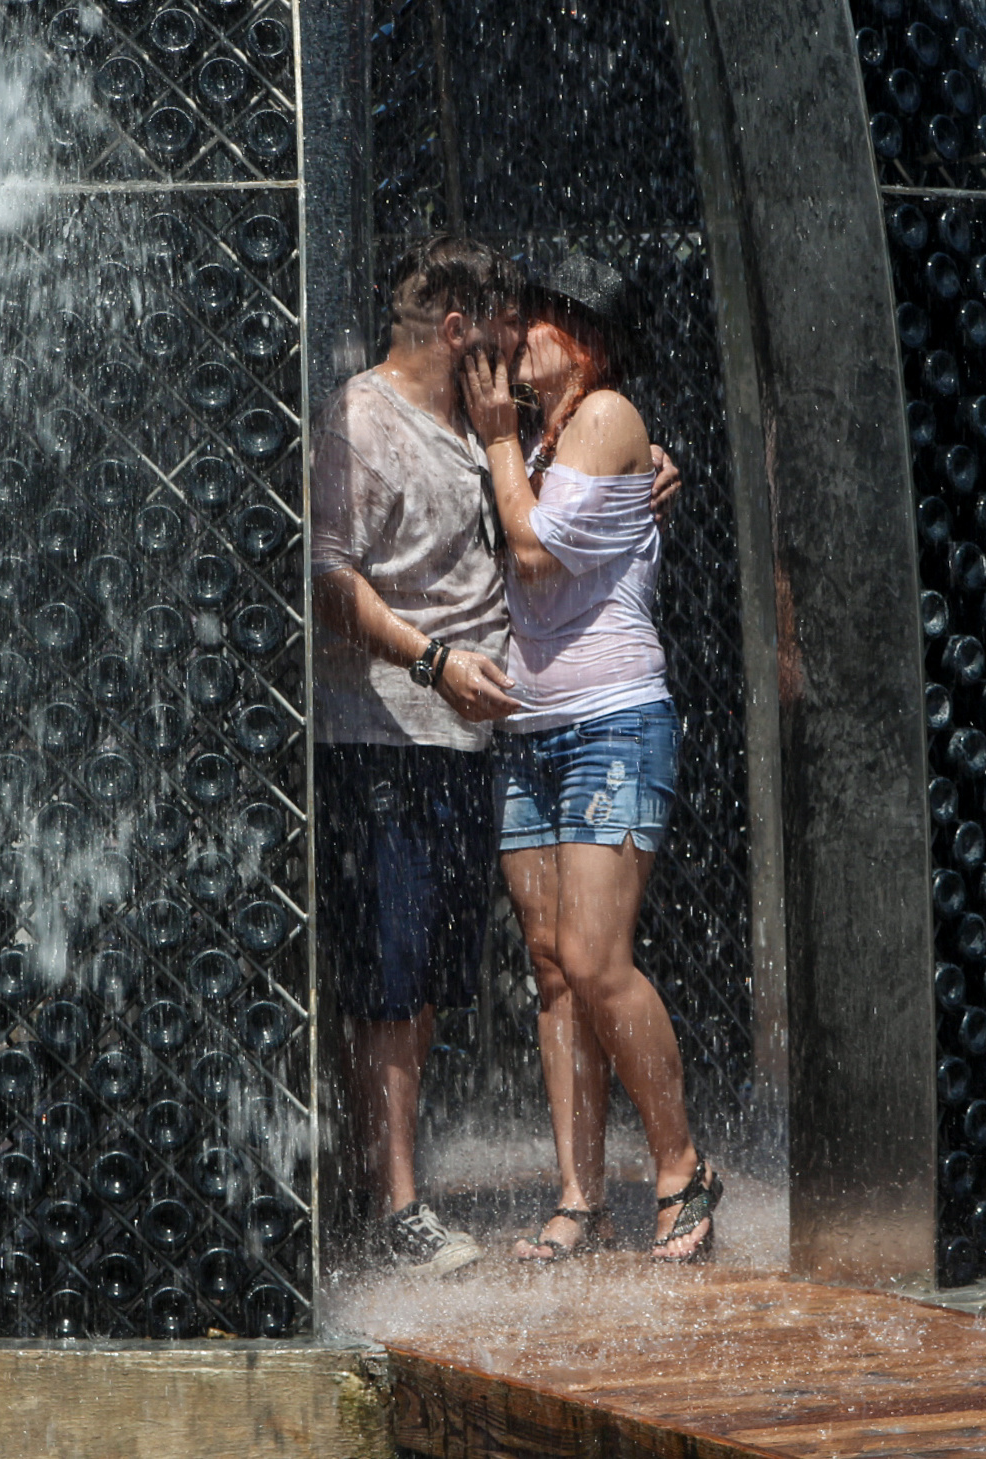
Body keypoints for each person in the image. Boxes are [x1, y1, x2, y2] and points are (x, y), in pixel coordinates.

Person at [310, 237, 677, 1276]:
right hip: (388, 729)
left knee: (436, 978)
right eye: (508, 320)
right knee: (389, 977)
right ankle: (396, 1200)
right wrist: (429, 662)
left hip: (484, 740)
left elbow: (563, 509)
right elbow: (324, 576)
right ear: (463, 328)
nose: (520, 337)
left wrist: (644, 465)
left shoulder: (492, 428)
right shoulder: (361, 419)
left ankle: (578, 1187)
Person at [459, 254, 719, 1265]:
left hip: (612, 720)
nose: (514, 336)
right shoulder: (535, 437)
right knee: (551, 970)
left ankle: (681, 1171)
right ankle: (578, 1197)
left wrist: (494, 447)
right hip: (530, 729)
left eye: (535, 322)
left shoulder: (607, 414)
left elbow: (533, 553)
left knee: (598, 961)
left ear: (586, 339)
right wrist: (500, 443)